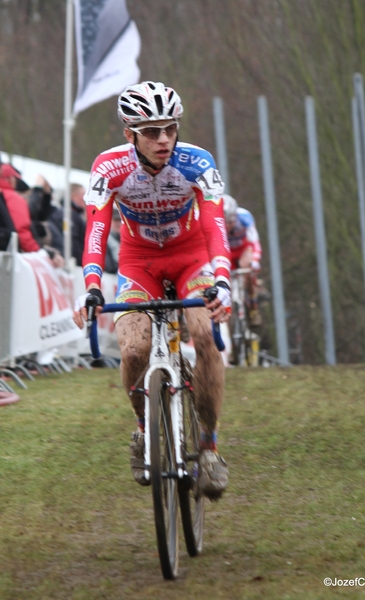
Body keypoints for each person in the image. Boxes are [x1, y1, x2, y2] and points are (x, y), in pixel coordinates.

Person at [73, 81, 232, 500]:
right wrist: (91, 285)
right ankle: (145, 430)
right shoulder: (109, 167)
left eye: (170, 128)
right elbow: (97, 228)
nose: (163, 139)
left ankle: (209, 446)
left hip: (191, 255)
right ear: (130, 135)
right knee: (133, 350)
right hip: (138, 262)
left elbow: (215, 224)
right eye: (151, 131)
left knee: (203, 335)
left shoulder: (197, 162)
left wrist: (221, 279)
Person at [223, 194, 263, 327]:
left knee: (246, 269)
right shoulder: (216, 223)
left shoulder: (245, 217)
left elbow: (254, 242)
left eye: (230, 221)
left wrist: (255, 260)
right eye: (225, 221)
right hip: (227, 252)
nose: (228, 225)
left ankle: (253, 307)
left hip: (243, 251)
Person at [49, 183, 87, 266]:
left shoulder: (77, 216)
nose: (86, 199)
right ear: (73, 196)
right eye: (83, 195)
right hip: (71, 264)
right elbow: (73, 242)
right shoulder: (66, 215)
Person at [104, 206, 121, 274]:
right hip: (109, 275)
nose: (118, 223)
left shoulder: (122, 237)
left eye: (119, 220)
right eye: (115, 220)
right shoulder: (105, 238)